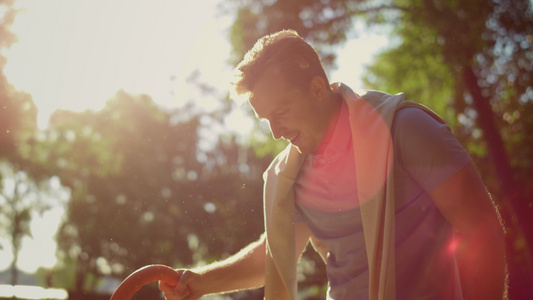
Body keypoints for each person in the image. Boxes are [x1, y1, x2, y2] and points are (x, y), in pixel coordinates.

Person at [159, 30, 506, 300]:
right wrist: (198, 282)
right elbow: (275, 254)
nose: (276, 132)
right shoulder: (290, 175)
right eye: (266, 120)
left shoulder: (405, 129)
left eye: (281, 113)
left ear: (316, 88)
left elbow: (481, 229)